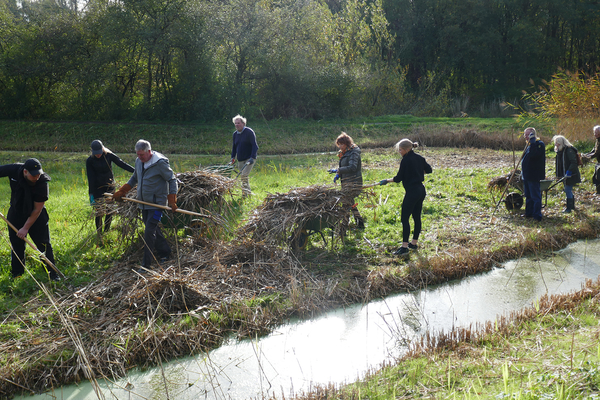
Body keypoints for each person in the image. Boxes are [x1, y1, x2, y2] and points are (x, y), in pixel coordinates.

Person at [113, 140, 178, 271]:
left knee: (149, 232)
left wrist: (172, 199)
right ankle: (165, 252)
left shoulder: (160, 163)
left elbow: (172, 180)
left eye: (142, 155)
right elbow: (135, 178)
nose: (139, 157)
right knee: (152, 229)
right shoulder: (139, 161)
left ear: (149, 152)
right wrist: (123, 190)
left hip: (157, 204)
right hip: (143, 203)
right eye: (137, 154)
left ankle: (146, 265)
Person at [0, 158, 59, 280]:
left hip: (36, 216)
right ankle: (17, 274)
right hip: (16, 213)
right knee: (17, 245)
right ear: (25, 172)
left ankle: (52, 274)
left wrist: (25, 228)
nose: (37, 177)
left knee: (44, 245)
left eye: (38, 174)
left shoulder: (42, 182)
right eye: (34, 175)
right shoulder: (14, 169)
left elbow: (37, 209)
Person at [379, 139, 432, 256]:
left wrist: (386, 181)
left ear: (407, 149)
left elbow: (398, 178)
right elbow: (429, 170)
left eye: (401, 149)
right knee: (416, 217)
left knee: (404, 218)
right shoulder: (420, 158)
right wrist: (417, 172)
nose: (399, 151)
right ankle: (413, 243)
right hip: (421, 190)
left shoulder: (406, 160)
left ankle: (404, 247)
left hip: (412, 192)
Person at [86, 140, 134, 242]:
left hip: (110, 187)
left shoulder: (109, 156)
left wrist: (136, 171)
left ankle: (106, 230)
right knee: (99, 211)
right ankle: (99, 232)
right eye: (96, 153)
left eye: (99, 152)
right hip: (97, 189)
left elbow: (122, 164)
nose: (98, 155)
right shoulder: (90, 161)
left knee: (109, 210)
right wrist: (91, 194)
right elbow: (90, 178)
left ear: (102, 149)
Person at [328, 132, 365, 230]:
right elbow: (344, 167)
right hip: (346, 182)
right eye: (338, 144)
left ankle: (343, 227)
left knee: (346, 204)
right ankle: (360, 222)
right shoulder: (344, 153)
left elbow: (352, 167)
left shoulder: (354, 152)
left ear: (347, 143)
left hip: (353, 182)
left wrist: (339, 170)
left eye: (342, 144)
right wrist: (338, 174)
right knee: (349, 202)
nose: (340, 146)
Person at [229, 114, 259, 197]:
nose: (237, 125)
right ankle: (248, 194)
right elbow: (234, 147)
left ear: (243, 123)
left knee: (244, 175)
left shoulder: (249, 132)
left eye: (238, 123)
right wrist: (232, 158)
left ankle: (244, 195)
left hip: (249, 159)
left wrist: (252, 157)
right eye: (235, 123)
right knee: (243, 178)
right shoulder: (235, 134)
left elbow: (255, 146)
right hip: (240, 159)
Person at [521, 127, 546, 221]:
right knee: (528, 196)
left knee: (535, 196)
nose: (526, 137)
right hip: (526, 175)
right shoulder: (528, 146)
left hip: (533, 175)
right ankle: (529, 213)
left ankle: (537, 215)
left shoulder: (539, 144)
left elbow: (534, 155)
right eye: (525, 135)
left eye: (528, 135)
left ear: (533, 135)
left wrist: (533, 142)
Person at [552, 135, 581, 213]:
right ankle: (572, 207)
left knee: (568, 190)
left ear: (561, 143)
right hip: (565, 174)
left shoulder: (569, 150)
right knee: (568, 190)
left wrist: (569, 171)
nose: (556, 145)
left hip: (571, 174)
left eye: (557, 143)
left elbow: (574, 162)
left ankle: (569, 208)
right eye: (555, 143)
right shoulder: (560, 151)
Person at [582, 125, 600, 194]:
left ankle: (599, 193)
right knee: (595, 178)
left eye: (597, 133)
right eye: (594, 132)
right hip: (598, 163)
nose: (595, 134)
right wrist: (586, 155)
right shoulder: (597, 140)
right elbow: (594, 151)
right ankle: (598, 192)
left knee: (598, 178)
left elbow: (596, 153)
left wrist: (587, 158)